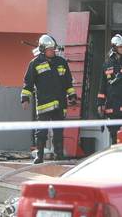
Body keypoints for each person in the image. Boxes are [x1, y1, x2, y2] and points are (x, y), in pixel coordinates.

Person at [21, 34, 77, 164]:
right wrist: (25, 98)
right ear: (43, 49)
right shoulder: (35, 63)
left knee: (58, 132)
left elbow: (68, 82)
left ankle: (59, 156)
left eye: (53, 49)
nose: (53, 51)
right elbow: (28, 83)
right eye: (50, 49)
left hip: (60, 104)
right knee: (41, 132)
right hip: (44, 105)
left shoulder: (61, 62)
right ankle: (39, 156)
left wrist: (72, 96)